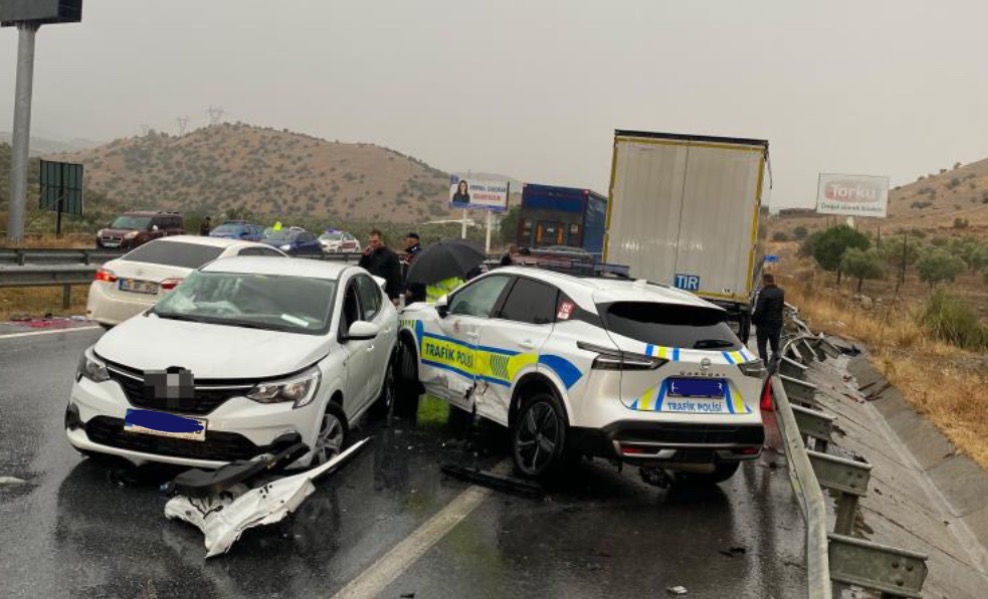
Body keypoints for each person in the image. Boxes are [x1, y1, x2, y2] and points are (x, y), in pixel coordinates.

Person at [359, 230, 403, 306]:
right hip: (371, 292)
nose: (372, 244)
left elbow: (396, 276)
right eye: (370, 242)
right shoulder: (371, 254)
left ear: (381, 241)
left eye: (375, 241)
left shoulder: (391, 255)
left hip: (386, 293)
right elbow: (361, 268)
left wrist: (396, 296)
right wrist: (365, 256)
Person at [752, 272, 785, 364]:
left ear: (765, 281)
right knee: (775, 347)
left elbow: (759, 310)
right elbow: (780, 308)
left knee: (762, 346)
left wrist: (753, 320)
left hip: (763, 325)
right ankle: (774, 364)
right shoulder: (780, 292)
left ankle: (765, 364)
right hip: (776, 324)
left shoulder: (764, 293)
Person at [402, 232, 426, 304]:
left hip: (415, 293)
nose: (408, 243)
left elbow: (418, 273)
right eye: (407, 241)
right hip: (409, 291)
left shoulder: (417, 254)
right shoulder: (411, 254)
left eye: (410, 241)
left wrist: (411, 289)